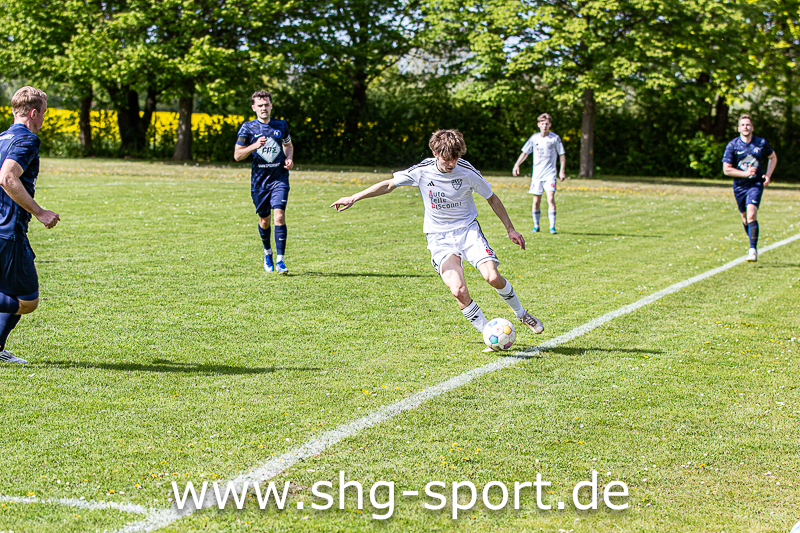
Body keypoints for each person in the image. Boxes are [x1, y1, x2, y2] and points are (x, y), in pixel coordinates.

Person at [330, 129, 544, 345]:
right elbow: (388, 185)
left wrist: (510, 229)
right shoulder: (422, 171)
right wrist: (354, 197)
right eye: (446, 159)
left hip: (468, 231)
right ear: (435, 153)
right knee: (458, 291)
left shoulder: (467, 171)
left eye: (455, 158)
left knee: (493, 277)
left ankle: (522, 313)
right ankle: (488, 334)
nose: (451, 164)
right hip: (439, 237)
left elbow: (492, 198)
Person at [0, 86, 60, 364]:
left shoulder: (2, 138)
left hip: (6, 229)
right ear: (34, 113)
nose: (44, 119)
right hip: (8, 231)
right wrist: (40, 212)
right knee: (27, 300)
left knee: (12, 292)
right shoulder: (27, 139)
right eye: (44, 114)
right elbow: (7, 178)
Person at [234, 90, 294, 274]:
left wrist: (289, 158)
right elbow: (237, 155)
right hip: (259, 183)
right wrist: (254, 146)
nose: (264, 108)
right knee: (264, 221)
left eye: (266, 104)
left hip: (279, 178)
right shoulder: (247, 128)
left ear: (271, 106)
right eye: (260, 105)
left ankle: (281, 260)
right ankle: (268, 253)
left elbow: (288, 145)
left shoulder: (281, 125)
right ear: (254, 108)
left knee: (279, 216)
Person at [722, 114, 777, 262]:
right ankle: (752, 240)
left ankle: (753, 250)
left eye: (748, 125)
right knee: (745, 219)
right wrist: (745, 174)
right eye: (743, 125)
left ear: (752, 127)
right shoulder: (733, 145)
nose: (745, 127)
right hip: (739, 186)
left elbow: (772, 157)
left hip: (755, 184)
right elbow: (726, 170)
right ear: (738, 128)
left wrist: (768, 175)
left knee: (752, 215)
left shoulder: (760, 143)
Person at [512, 113, 566, 234]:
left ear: (550, 125)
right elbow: (525, 152)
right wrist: (517, 164)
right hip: (537, 175)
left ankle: (552, 227)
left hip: (550, 174)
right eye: (542, 123)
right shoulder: (534, 138)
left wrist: (562, 171)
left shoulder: (554, 138)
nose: (544, 126)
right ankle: (536, 226)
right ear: (538, 125)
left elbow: (562, 155)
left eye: (547, 124)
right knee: (536, 201)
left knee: (550, 199)